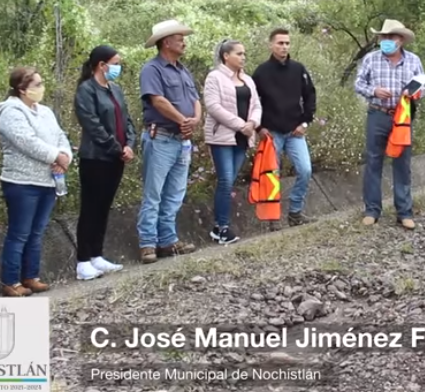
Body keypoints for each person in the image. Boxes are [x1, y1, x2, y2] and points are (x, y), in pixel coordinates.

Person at [0, 67, 72, 297]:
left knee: (37, 232)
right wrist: (55, 156)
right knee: (19, 233)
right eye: (36, 85)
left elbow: (60, 137)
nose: (41, 88)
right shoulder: (10, 111)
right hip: (21, 182)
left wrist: (65, 157)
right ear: (22, 89)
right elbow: (26, 141)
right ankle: (10, 281)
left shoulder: (45, 111)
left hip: (47, 180)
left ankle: (31, 276)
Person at [136, 20, 200, 263]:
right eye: (179, 37)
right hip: (161, 137)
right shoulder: (152, 69)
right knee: (154, 193)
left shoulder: (183, 70)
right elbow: (157, 100)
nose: (184, 41)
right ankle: (147, 243)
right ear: (165, 42)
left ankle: (167, 240)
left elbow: (195, 99)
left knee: (175, 193)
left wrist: (194, 120)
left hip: (181, 139)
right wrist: (183, 120)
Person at [354, 19, 425, 230]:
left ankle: (404, 212)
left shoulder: (414, 61)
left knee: (402, 163)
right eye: (384, 37)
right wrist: (373, 91)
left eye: (391, 37)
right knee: (373, 161)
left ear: (401, 39)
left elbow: (424, 88)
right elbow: (358, 84)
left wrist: (413, 93)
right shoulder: (370, 59)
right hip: (378, 114)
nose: (386, 40)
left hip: (402, 118)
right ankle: (371, 210)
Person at [73, 45, 136, 281]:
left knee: (103, 207)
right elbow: (93, 125)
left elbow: (127, 119)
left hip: (116, 158)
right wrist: (116, 148)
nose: (118, 67)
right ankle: (82, 260)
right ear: (102, 65)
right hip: (95, 157)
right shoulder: (86, 90)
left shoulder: (115, 89)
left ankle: (97, 254)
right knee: (90, 207)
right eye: (115, 63)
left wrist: (130, 143)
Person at [252, 28, 317, 226]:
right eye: (280, 43)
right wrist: (259, 128)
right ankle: (273, 219)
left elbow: (310, 96)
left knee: (305, 170)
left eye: (287, 43)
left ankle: (295, 213)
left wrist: (305, 122)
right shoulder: (261, 72)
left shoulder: (298, 69)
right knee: (272, 176)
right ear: (271, 45)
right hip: (272, 133)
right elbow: (253, 102)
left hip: (295, 131)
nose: (284, 47)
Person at [204, 39, 261, 245]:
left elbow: (256, 105)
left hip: (243, 137)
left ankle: (219, 227)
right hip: (223, 137)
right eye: (238, 53)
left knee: (230, 181)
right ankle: (222, 227)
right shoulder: (215, 77)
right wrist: (240, 124)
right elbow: (213, 106)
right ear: (226, 56)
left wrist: (253, 122)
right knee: (226, 180)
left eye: (244, 53)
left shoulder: (248, 80)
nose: (243, 57)